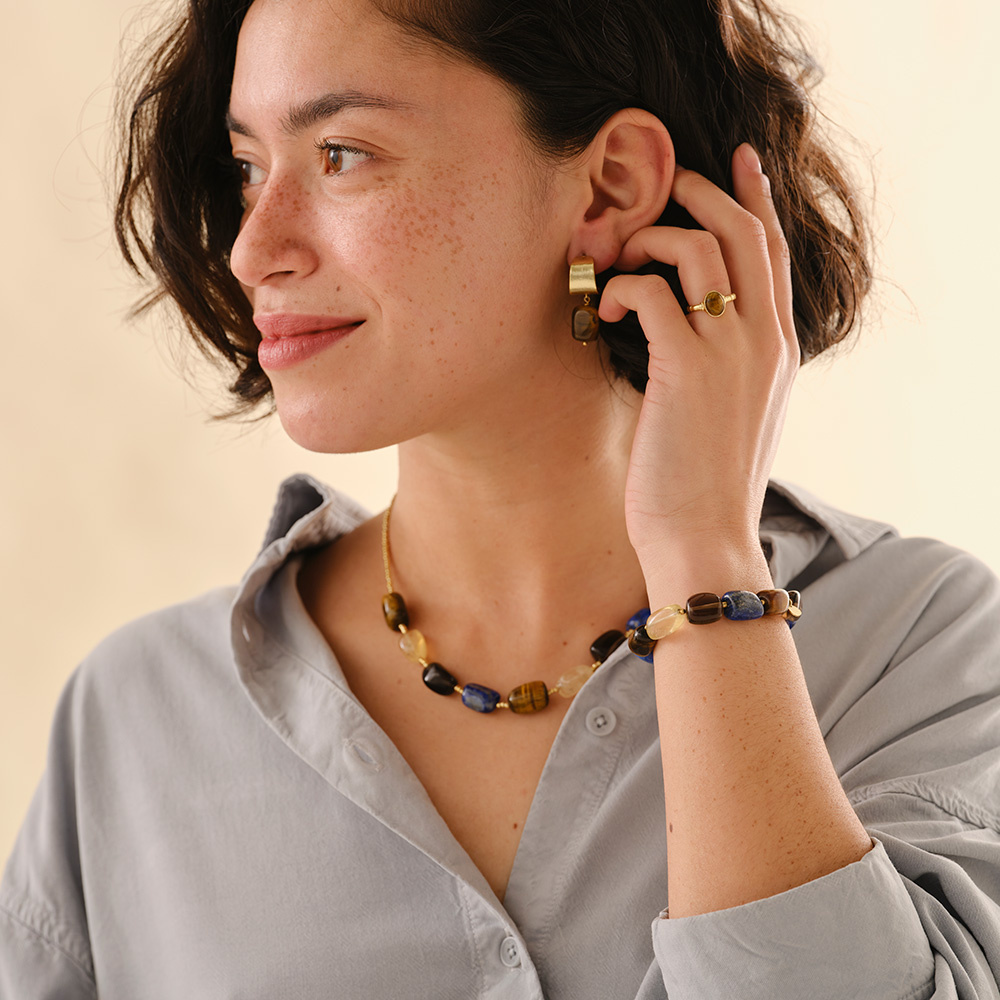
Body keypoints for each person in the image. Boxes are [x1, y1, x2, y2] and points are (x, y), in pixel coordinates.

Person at [2, 0, 998, 995]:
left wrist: (704, 560)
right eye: (250, 167)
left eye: (342, 153)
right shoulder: (135, 718)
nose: (255, 250)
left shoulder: (919, 646)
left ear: (608, 185)